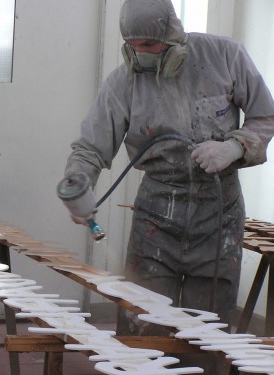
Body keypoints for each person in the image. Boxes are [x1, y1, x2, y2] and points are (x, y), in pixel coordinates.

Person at [62, 0, 274, 373]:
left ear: (173, 37)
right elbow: (90, 147)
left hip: (218, 210)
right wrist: (78, 184)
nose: (140, 54)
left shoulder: (225, 56)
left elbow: (265, 115)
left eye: (149, 45)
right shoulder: (123, 81)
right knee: (143, 320)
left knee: (206, 328)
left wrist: (235, 146)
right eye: (133, 45)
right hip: (156, 214)